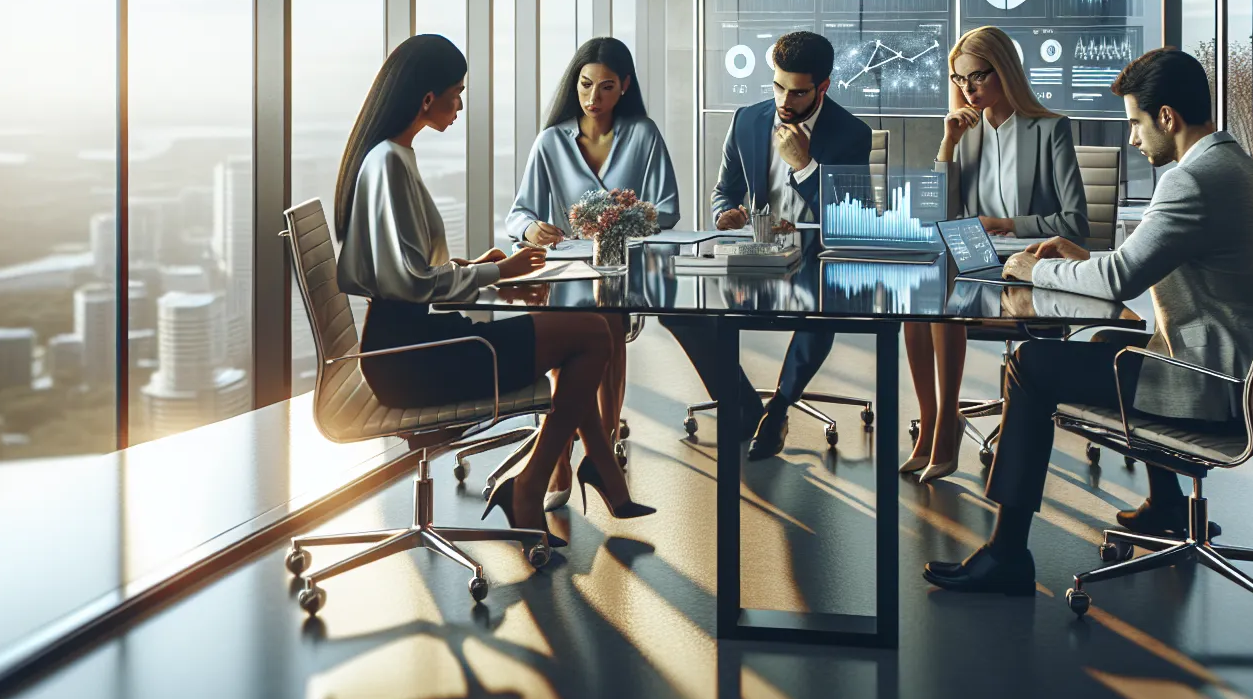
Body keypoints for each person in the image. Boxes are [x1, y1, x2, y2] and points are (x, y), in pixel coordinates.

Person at [921, 46, 1253, 594]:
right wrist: (1082, 260)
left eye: (1137, 124)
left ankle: (1007, 554)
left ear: (1167, 117)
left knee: (1031, 362)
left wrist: (1031, 270)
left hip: (1210, 386)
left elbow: (1121, 281)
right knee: (1120, 335)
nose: (1134, 140)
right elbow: (1136, 263)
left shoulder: (1191, 180)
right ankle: (1167, 503)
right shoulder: (1249, 172)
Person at [334, 34, 652, 547]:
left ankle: (596, 469)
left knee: (592, 329)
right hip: (416, 358)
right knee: (592, 336)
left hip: (418, 341)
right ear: (426, 99)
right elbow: (412, 283)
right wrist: (497, 277)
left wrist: (477, 267)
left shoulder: (392, 157)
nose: (459, 105)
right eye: (456, 94)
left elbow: (409, 274)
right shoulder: (390, 163)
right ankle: (532, 484)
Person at [660, 31, 872, 460]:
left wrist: (805, 165)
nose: (785, 100)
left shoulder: (851, 133)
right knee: (675, 308)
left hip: (817, 253)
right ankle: (739, 399)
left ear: (823, 87)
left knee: (824, 305)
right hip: (758, 250)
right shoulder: (747, 120)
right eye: (778, 86)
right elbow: (724, 191)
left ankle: (779, 407)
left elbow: (853, 219)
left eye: (797, 92)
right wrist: (725, 214)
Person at [903, 26, 1087, 482]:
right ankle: (931, 423)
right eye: (959, 79)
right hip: (972, 258)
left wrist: (1007, 224)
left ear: (1004, 70)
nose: (968, 89)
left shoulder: (1050, 130)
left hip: (1027, 262)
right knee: (916, 296)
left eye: (977, 77)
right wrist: (947, 145)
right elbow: (937, 215)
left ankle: (947, 425)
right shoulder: (966, 131)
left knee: (943, 288)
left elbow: (1075, 223)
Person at [506, 36, 680, 508]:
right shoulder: (550, 143)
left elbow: (667, 210)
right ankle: (571, 456)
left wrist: (623, 219)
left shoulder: (642, 135)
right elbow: (518, 214)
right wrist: (533, 231)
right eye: (585, 85)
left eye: (605, 87)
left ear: (624, 87)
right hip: (564, 273)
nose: (592, 98)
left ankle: (593, 443)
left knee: (608, 320)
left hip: (619, 269)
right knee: (585, 331)